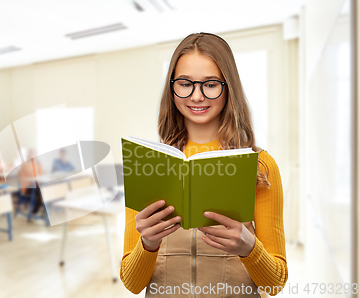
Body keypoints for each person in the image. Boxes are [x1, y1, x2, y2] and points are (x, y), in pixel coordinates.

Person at [120, 33, 288, 297]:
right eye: (185, 83)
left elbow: (275, 284)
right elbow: (132, 284)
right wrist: (148, 243)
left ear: (228, 86)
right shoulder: (148, 163)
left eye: (210, 84)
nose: (196, 96)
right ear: (172, 87)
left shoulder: (260, 166)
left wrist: (248, 247)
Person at [18, 148, 44, 216]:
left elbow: (42, 174)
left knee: (45, 189)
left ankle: (41, 207)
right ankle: (37, 208)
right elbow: (30, 175)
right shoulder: (25, 164)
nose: (34, 155)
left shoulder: (38, 163)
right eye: (32, 153)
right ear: (29, 154)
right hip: (28, 186)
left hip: (37, 185)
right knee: (41, 190)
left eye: (35, 153)